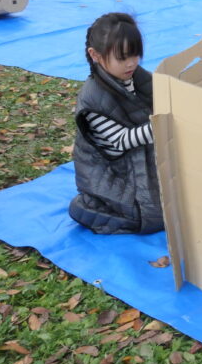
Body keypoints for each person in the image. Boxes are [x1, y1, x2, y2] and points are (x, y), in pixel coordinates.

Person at [69, 13, 163, 235]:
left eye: (135, 54)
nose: (131, 63)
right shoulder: (92, 99)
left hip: (142, 157)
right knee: (151, 215)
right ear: (95, 55)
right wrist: (163, 124)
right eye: (122, 57)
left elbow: (161, 94)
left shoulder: (136, 77)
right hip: (115, 173)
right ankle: (94, 207)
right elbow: (121, 141)